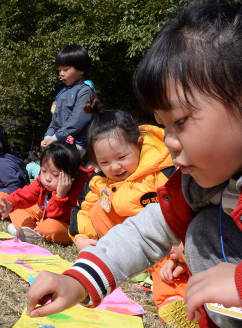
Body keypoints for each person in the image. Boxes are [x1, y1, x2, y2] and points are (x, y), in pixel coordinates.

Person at [25, 0, 242, 328]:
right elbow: (146, 230)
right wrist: (77, 280)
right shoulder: (202, 181)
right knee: (203, 229)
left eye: (180, 122)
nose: (170, 140)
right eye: (163, 125)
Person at [69, 94, 189, 315]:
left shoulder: (163, 168)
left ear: (139, 144)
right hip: (131, 241)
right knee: (98, 210)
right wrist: (83, 238)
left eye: (122, 157)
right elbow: (82, 209)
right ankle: (142, 270)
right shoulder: (100, 179)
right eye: (104, 162)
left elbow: (183, 207)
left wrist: (183, 243)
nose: (115, 167)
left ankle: (172, 298)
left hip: (165, 239)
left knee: (169, 269)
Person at [0, 142, 94, 244]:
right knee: (17, 210)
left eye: (55, 174)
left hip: (66, 223)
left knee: (50, 227)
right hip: (45, 214)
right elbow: (27, 193)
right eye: (43, 171)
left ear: (72, 175)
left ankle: (31, 231)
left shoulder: (80, 188)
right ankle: (30, 232)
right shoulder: (43, 181)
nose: (47, 178)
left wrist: (60, 195)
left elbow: (58, 217)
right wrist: (11, 203)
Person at [40, 44, 95, 156]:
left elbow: (78, 120)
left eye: (66, 69)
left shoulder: (85, 91)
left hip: (76, 143)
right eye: (59, 70)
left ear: (81, 70)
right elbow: (55, 121)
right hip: (59, 140)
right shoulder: (61, 93)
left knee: (56, 164)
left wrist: (55, 138)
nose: (61, 74)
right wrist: (48, 137)